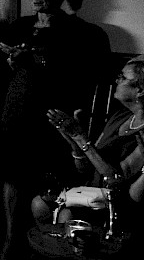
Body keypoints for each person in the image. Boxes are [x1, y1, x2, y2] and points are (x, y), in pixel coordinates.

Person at [0, 0, 110, 260]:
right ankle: (9, 247)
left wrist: (38, 59)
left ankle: (47, 252)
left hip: (54, 120)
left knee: (49, 187)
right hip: (16, 113)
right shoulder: (19, 26)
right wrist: (11, 60)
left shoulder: (86, 32)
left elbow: (89, 78)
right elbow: (1, 69)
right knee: (11, 179)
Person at [36, 57, 144, 234]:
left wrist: (81, 138)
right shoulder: (120, 117)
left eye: (122, 77)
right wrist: (73, 139)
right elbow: (85, 169)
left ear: (139, 90)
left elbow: (117, 179)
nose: (116, 80)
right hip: (89, 190)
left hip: (115, 202)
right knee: (39, 204)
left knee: (67, 218)